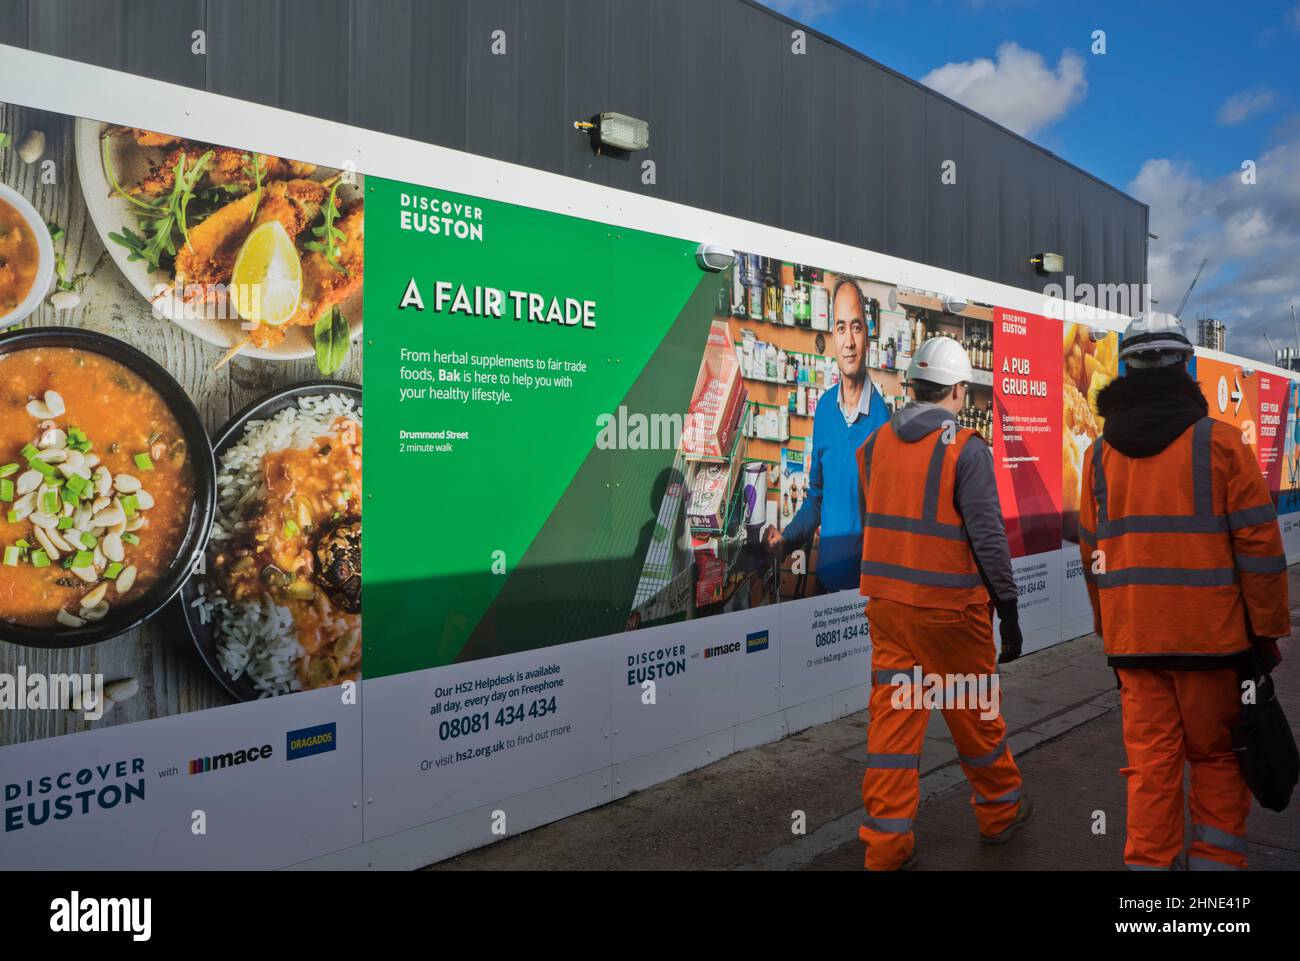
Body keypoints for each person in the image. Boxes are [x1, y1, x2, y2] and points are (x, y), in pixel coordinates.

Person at [1080, 312, 1288, 871]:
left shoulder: (1097, 457)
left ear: (1125, 369)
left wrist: (1110, 631)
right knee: (1219, 761)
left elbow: (1092, 555)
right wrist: (1265, 633)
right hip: (1215, 649)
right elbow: (1262, 552)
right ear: (1185, 366)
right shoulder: (1222, 446)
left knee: (1150, 768)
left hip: (1136, 649)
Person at [856, 334, 1031, 870]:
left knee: (893, 725)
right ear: (958, 389)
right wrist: (1009, 607)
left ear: (913, 384)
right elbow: (988, 535)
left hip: (888, 608)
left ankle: (885, 846)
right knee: (974, 717)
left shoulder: (876, 443)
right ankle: (999, 814)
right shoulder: (965, 446)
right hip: (950, 612)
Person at [764, 278, 888, 591]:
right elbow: (816, 499)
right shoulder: (824, 411)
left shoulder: (884, 423)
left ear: (868, 336)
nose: (849, 341)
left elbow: (890, 523)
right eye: (842, 328)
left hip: (867, 596)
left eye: (856, 327)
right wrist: (786, 539)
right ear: (833, 336)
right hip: (825, 586)